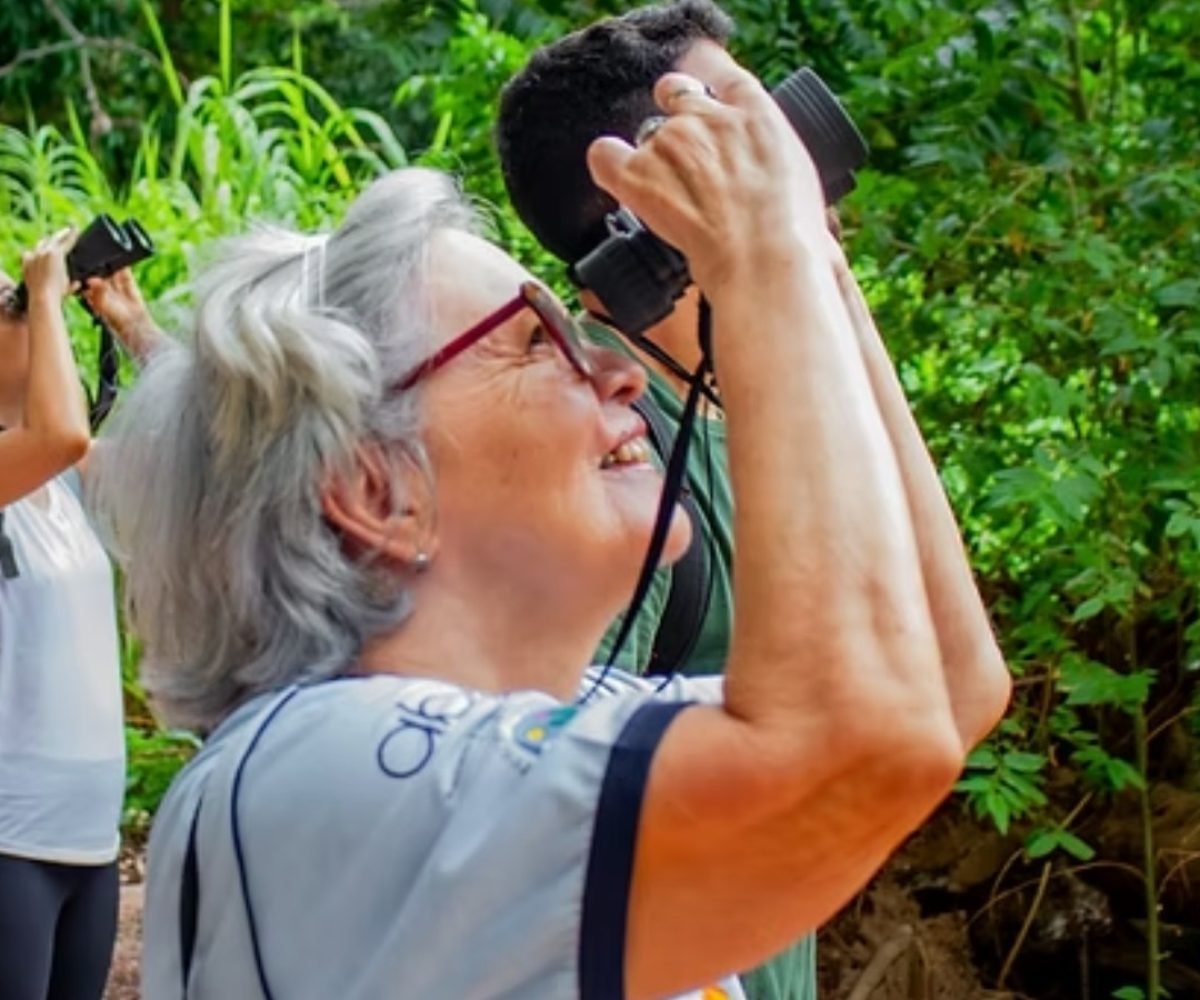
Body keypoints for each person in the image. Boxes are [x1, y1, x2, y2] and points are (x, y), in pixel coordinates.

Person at [95, 47, 1009, 1000]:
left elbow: (942, 689)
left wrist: (809, 255)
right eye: (540, 341)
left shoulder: (580, 714)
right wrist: (758, 256)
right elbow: (859, 745)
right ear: (377, 490)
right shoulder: (302, 770)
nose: (616, 371)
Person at [496, 3, 814, 995]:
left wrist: (802, 271)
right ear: (646, 202)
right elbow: (571, 829)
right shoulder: (611, 458)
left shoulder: (761, 408)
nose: (783, 152)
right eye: (737, 124)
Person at [0, 233, 163, 999]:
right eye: (8, 306)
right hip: (8, 838)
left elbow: (202, 458)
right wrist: (39, 292)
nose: (29, 315)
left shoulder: (64, 482)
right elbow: (60, 432)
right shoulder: (40, 458)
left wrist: (133, 326)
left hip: (87, 837)